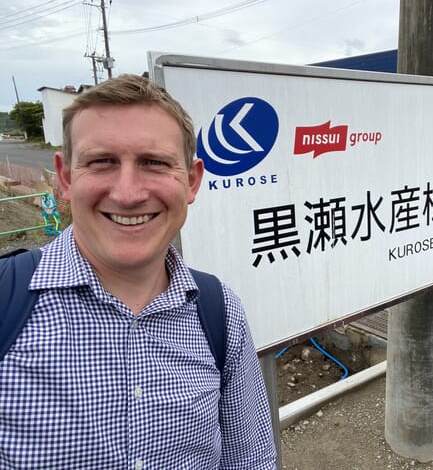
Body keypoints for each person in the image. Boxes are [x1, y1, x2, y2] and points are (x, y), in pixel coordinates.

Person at [0, 74, 276, 468]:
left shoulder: (220, 311)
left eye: (154, 163)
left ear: (192, 181)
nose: (128, 194)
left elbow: (251, 459)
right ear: (65, 177)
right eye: (101, 162)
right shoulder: (7, 302)